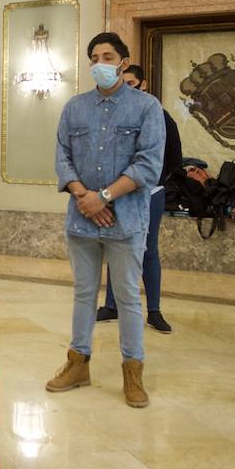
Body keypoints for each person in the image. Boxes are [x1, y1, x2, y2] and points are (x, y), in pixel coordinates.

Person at [46, 33, 164, 408]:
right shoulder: (75, 107)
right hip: (81, 220)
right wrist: (84, 195)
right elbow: (62, 156)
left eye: (108, 56)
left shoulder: (147, 107)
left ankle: (133, 371)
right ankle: (77, 363)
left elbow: (148, 164)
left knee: (128, 296)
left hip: (125, 221)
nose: (101, 62)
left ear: (123, 62)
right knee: (83, 293)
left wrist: (104, 197)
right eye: (94, 56)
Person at [98, 64, 179, 332]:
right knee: (114, 247)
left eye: (132, 83)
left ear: (142, 84)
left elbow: (172, 157)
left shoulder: (160, 115)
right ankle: (112, 305)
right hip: (115, 192)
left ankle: (154, 310)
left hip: (149, 193)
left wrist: (151, 181)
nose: (127, 87)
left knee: (148, 251)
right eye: (125, 82)